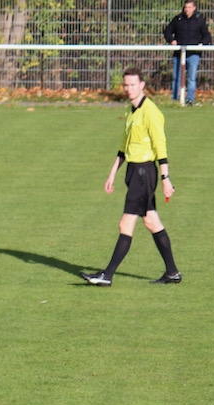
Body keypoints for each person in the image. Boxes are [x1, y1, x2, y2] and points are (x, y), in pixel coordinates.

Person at [81, 67, 180, 287]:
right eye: (125, 85)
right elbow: (123, 147)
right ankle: (172, 272)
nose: (128, 89)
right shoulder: (131, 110)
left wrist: (166, 177)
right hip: (134, 172)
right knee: (151, 221)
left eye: (132, 85)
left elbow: (160, 146)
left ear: (142, 85)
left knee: (125, 223)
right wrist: (112, 174)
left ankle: (107, 275)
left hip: (144, 173)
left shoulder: (150, 111)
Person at [164, 0, 212, 105]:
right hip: (178, 54)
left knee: (191, 78)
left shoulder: (199, 20)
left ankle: (190, 99)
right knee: (177, 77)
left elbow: (207, 35)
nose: (187, 10)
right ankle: (175, 99)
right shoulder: (178, 19)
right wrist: (171, 40)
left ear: (194, 8)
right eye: (186, 7)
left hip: (193, 54)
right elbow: (167, 31)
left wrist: (202, 44)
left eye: (189, 7)